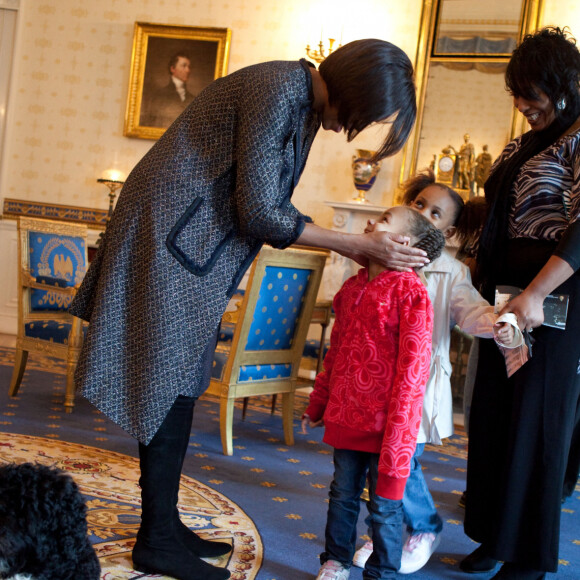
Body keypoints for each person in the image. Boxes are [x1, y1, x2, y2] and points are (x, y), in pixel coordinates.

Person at [68, 39, 424, 580]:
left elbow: (267, 202)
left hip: (189, 247)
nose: (357, 126)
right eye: (367, 114)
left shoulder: (298, 102)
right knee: (167, 379)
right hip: (167, 235)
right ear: (355, 90)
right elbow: (259, 209)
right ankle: (156, 538)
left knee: (184, 381)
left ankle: (162, 524)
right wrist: (352, 245)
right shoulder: (280, 88)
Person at [351, 170, 518, 574]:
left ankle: (425, 526)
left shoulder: (452, 272)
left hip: (416, 385)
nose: (424, 212)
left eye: (436, 212)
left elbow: (470, 311)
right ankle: (387, 529)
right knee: (376, 461)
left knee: (403, 462)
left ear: (449, 229)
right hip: (373, 379)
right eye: (419, 204)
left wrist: (499, 317)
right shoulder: (380, 252)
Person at [461, 27, 580, 580]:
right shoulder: (524, 140)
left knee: (536, 422)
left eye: (530, 91)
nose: (521, 104)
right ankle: (494, 535)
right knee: (493, 416)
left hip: (548, 300)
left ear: (561, 84)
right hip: (503, 298)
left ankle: (527, 557)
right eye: (517, 92)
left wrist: (535, 294)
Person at [302, 205, 447, 580]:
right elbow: (335, 352)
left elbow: (413, 372)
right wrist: (319, 401)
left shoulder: (412, 293)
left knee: (384, 506)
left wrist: (400, 435)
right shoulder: (352, 287)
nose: (370, 224)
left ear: (405, 242)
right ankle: (335, 560)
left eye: (382, 220)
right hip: (345, 417)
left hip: (388, 428)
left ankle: (381, 572)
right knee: (341, 495)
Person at [141, 52, 195, 128]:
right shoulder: (158, 96)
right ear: (172, 69)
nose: (188, 70)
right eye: (184, 66)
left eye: (189, 67)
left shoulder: (193, 99)